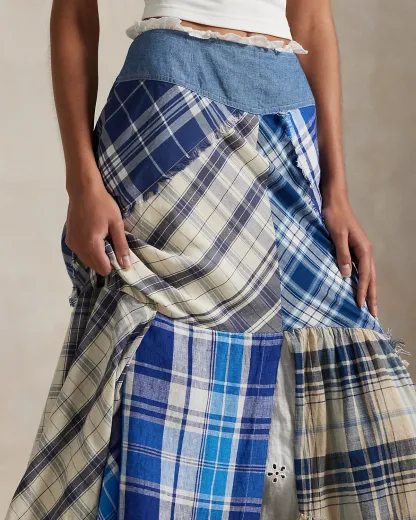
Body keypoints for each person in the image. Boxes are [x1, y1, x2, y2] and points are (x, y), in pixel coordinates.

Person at [6, 0, 416, 519]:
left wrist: (336, 191)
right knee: (158, 357)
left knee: (340, 364)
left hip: (288, 121)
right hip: (169, 108)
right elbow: (73, 10)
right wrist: (81, 184)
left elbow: (311, 16)